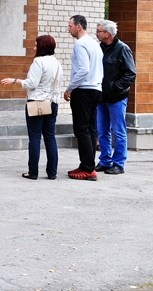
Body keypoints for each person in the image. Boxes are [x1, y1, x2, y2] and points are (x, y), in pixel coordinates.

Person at [0, 35, 64, 180]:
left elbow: (32, 83)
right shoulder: (57, 63)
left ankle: (33, 172)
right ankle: (52, 173)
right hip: (52, 103)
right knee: (50, 138)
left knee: (34, 138)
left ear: (42, 46)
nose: (34, 48)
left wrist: (15, 81)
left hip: (36, 103)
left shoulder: (38, 61)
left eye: (36, 45)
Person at [63, 14, 103, 181]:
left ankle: (87, 169)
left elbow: (84, 69)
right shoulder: (95, 44)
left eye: (70, 25)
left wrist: (69, 88)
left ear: (79, 26)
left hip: (83, 90)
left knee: (81, 130)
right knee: (90, 128)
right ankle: (87, 165)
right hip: (96, 90)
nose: (68, 28)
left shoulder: (80, 44)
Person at [95, 19, 136, 175]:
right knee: (102, 130)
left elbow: (130, 74)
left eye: (99, 31)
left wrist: (114, 87)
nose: (96, 33)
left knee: (118, 131)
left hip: (117, 98)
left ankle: (119, 163)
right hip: (101, 98)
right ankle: (105, 161)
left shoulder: (122, 49)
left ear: (107, 33)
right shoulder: (100, 49)